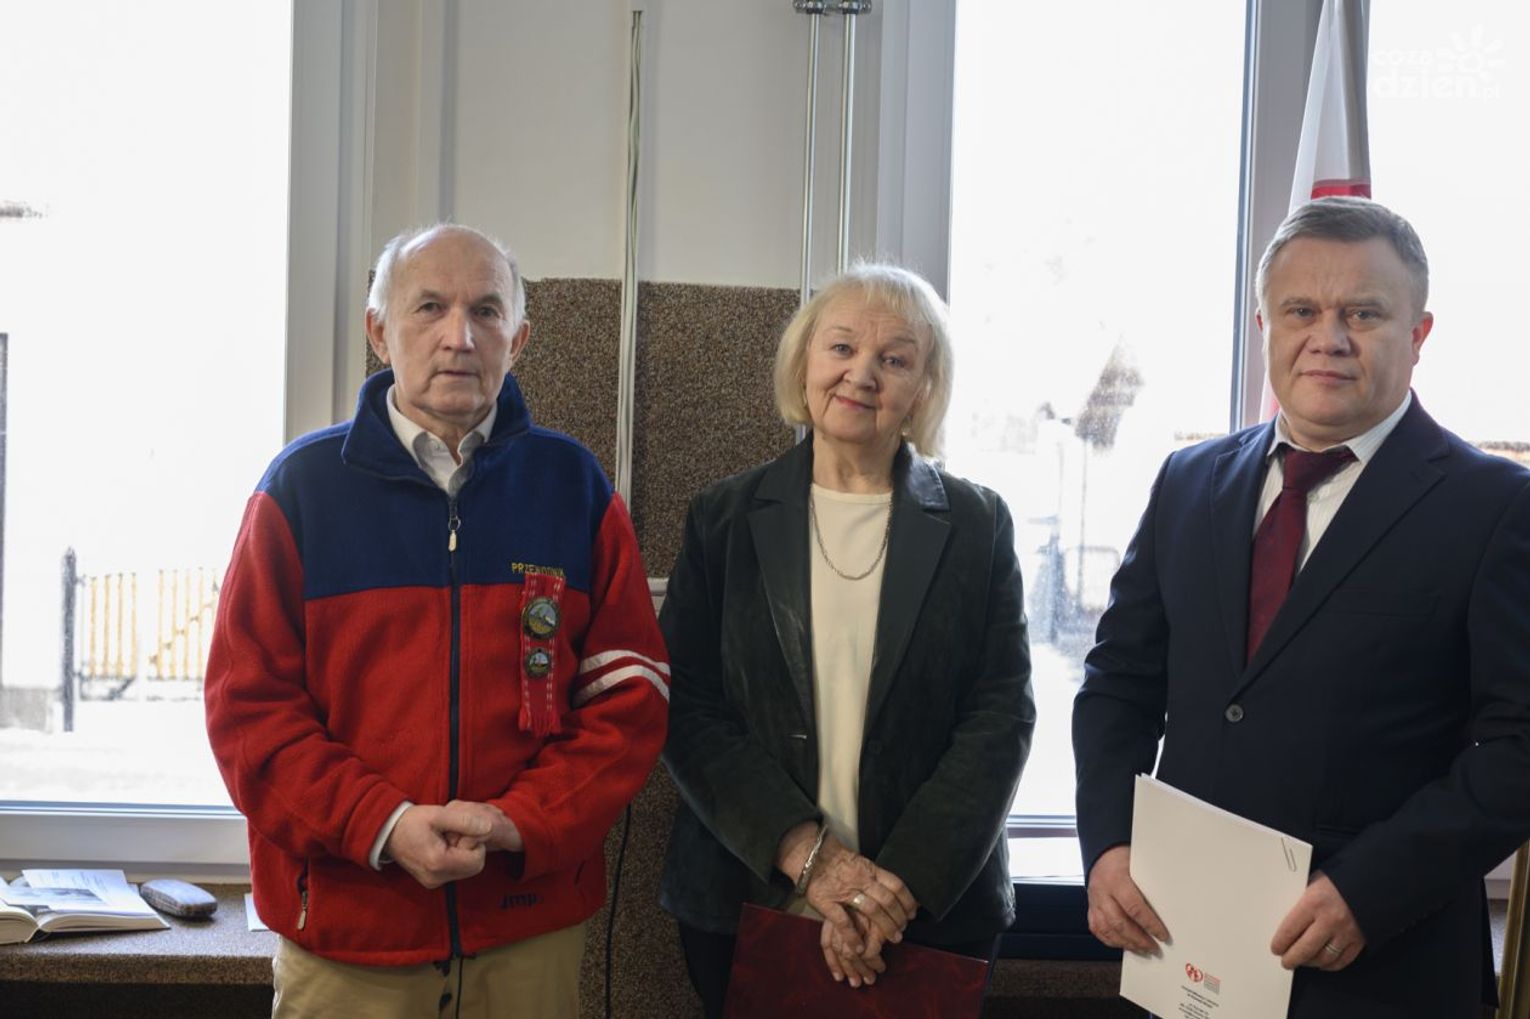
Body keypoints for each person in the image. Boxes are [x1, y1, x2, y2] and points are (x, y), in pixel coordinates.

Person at [1073, 197, 1530, 1017]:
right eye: (1301, 311)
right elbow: (1118, 684)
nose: (1330, 337)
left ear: (1419, 333)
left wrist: (1372, 890)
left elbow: (1519, 746)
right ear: (1264, 326)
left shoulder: (1497, 506)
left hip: (1384, 966)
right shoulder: (1187, 482)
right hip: (1183, 954)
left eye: (1364, 313)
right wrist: (1109, 841)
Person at [204, 224, 669, 1018]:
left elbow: (631, 697)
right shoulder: (299, 492)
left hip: (527, 929)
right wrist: (382, 823)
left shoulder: (574, 488)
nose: (460, 336)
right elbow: (248, 713)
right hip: (350, 936)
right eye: (429, 307)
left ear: (518, 339)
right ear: (378, 330)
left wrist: (518, 821)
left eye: (486, 310)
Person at [658, 263, 1035, 1017]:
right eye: (841, 348)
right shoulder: (723, 518)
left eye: (894, 358)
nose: (861, 374)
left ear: (923, 388)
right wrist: (813, 861)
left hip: (925, 912)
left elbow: (999, 717)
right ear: (804, 362)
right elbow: (685, 705)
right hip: (750, 897)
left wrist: (889, 893)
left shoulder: (978, 524)